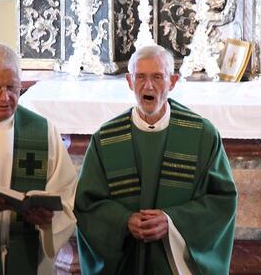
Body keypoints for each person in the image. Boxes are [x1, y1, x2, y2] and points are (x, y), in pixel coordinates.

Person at [74, 44, 237, 275]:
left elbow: (222, 200)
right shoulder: (106, 139)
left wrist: (172, 222)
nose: (148, 85)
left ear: (173, 81)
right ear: (130, 81)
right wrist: (123, 221)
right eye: (140, 77)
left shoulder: (202, 135)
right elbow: (87, 204)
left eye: (158, 77)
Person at [0, 42, 78, 275]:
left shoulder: (43, 131)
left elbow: (68, 194)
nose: (5, 97)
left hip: (29, 257)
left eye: (12, 87)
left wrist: (47, 220)